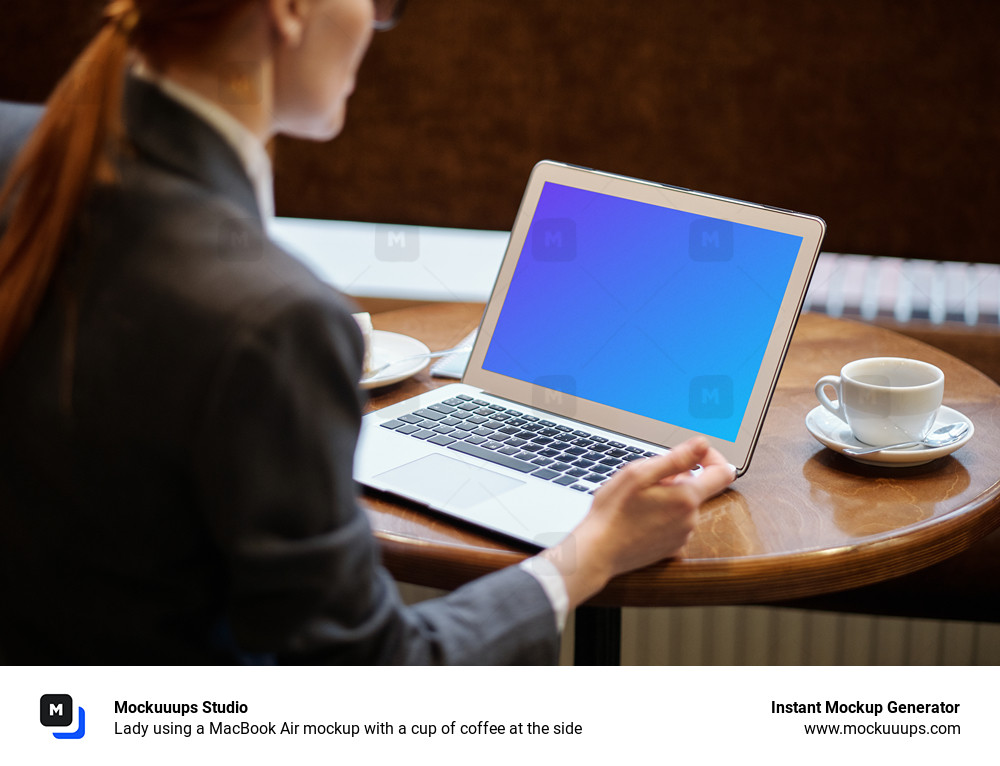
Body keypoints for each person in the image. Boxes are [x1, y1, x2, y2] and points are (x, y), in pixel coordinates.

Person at [0, 0, 735, 664]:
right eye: (382, 4)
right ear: (289, 10)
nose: (379, 27)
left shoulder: (20, 150)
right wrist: (590, 553)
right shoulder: (275, 318)